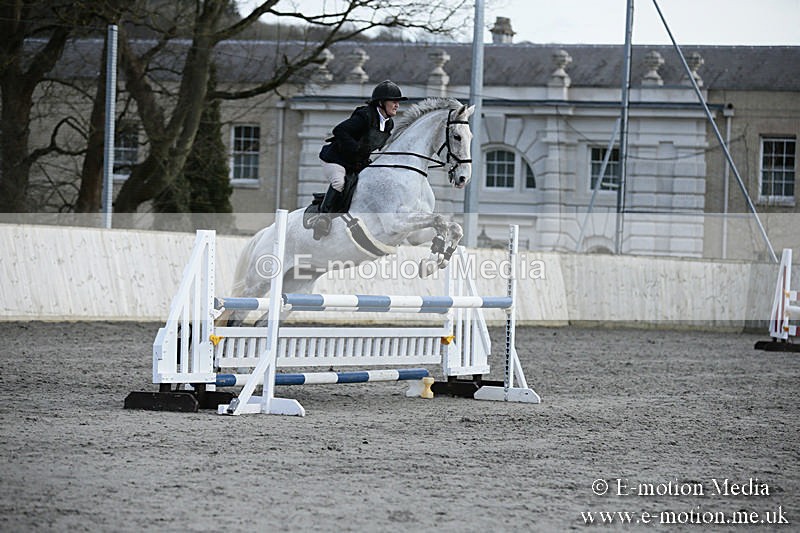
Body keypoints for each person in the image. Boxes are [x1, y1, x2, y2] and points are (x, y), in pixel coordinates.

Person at [313, 80, 408, 239]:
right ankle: (323, 218)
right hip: (335, 159)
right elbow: (340, 130)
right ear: (381, 103)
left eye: (398, 102)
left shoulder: (389, 124)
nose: (397, 105)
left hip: (356, 163)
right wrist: (356, 149)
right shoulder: (364, 116)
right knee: (339, 183)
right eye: (394, 101)